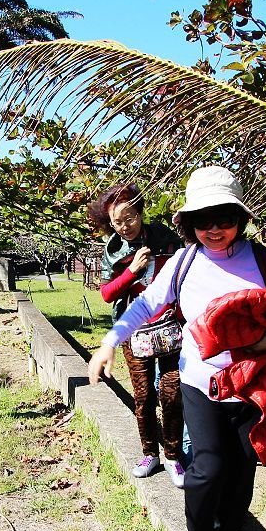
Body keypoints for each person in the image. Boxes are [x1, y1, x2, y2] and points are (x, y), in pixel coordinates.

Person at [88, 166, 266, 531]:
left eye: (224, 218)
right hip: (199, 379)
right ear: (189, 224)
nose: (214, 229)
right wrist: (110, 343)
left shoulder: (264, 260)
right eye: (203, 220)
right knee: (207, 467)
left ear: (239, 219)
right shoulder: (184, 261)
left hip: (250, 381)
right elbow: (145, 305)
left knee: (243, 467)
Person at [87, 182, 186, 487]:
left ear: (141, 213)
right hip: (133, 330)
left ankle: (173, 456)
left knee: (172, 394)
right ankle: (149, 454)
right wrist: (132, 272)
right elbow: (106, 294)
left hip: (169, 327)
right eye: (117, 221)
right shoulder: (113, 249)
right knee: (143, 398)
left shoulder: (165, 238)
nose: (124, 226)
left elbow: (182, 274)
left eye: (130, 218)